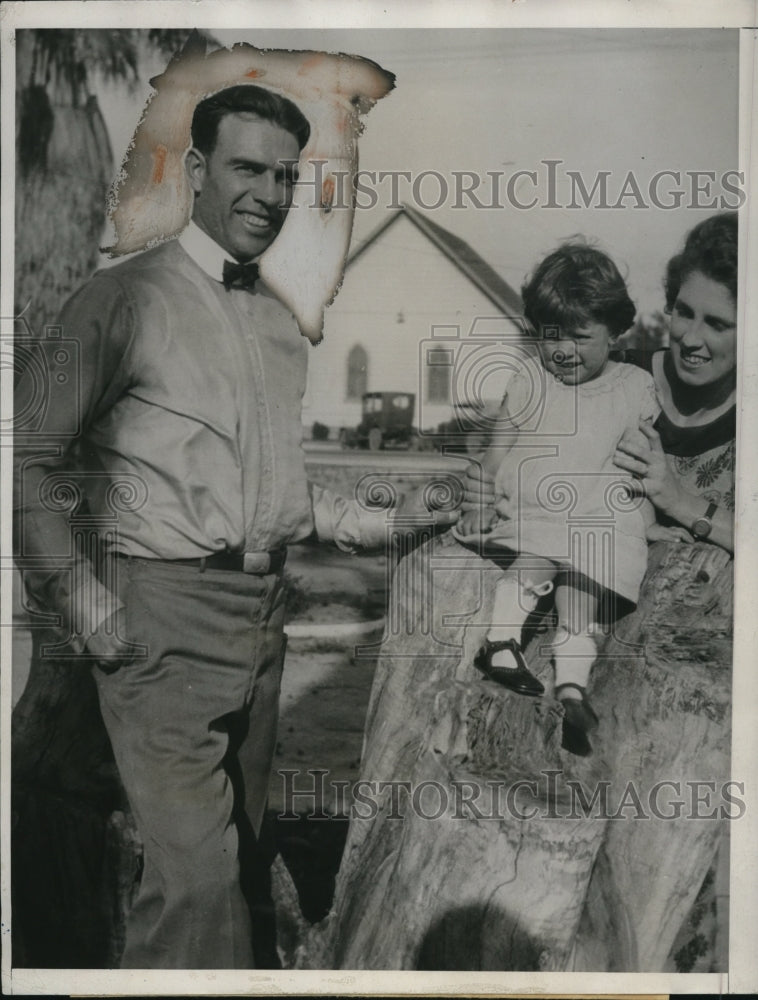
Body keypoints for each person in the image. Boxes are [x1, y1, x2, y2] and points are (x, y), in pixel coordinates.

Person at [13, 84, 456, 969]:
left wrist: (386, 520)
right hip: (157, 622)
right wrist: (85, 605)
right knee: (196, 886)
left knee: (247, 866)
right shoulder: (118, 301)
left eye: (286, 176)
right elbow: (26, 459)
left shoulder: (282, 324)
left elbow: (285, 497)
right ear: (199, 170)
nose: (268, 193)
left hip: (264, 621)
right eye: (248, 168)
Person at [454, 242, 660, 756]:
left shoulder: (634, 386)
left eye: (580, 336)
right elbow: (495, 450)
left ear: (616, 333)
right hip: (539, 508)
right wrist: (480, 494)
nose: (563, 350)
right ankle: (501, 643)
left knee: (583, 590)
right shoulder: (530, 378)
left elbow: (643, 459)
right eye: (551, 336)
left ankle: (572, 685)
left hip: (594, 514)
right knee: (539, 556)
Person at [612, 211, 736, 555]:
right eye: (683, 312)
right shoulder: (615, 377)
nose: (691, 338)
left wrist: (680, 502)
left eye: (717, 324)